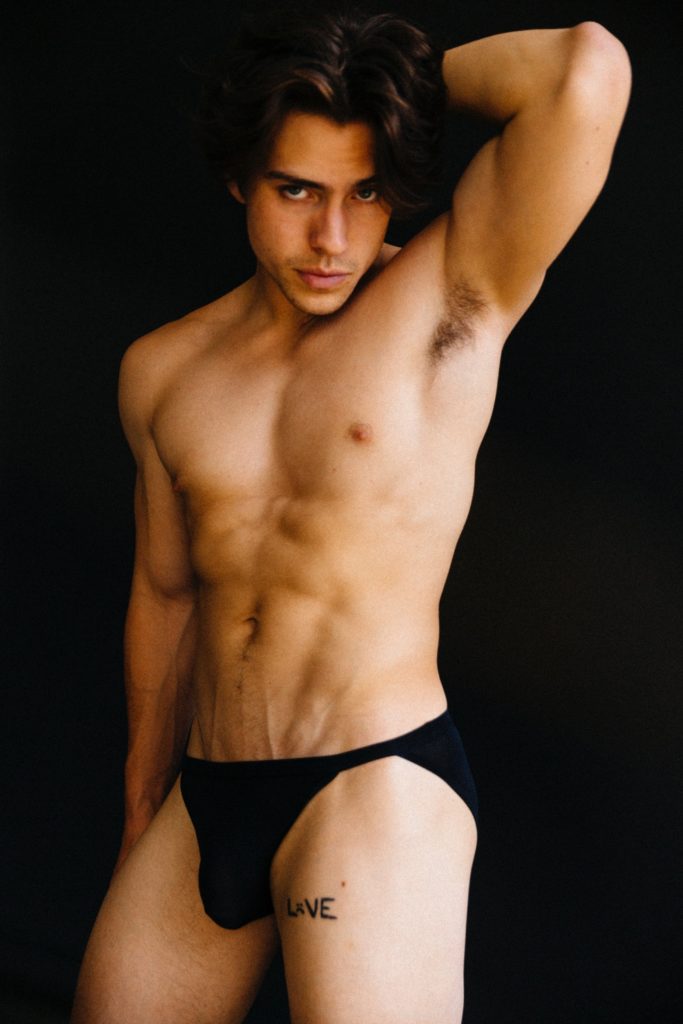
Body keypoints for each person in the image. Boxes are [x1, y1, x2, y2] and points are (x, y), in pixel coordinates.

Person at [71, 5, 630, 1022]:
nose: (332, 236)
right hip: (207, 793)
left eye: (364, 191)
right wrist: (142, 805)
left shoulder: (452, 295)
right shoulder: (161, 371)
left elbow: (583, 69)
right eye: (296, 189)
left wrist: (388, 85)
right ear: (239, 178)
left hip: (368, 784)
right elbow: (166, 594)